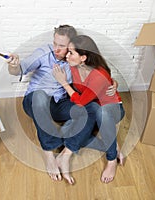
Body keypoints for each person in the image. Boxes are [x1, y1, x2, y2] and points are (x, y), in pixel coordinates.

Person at [7, 25, 116, 185]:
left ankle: (68, 152)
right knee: (40, 96)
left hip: (59, 103)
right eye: (55, 43)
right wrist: (14, 64)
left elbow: (95, 75)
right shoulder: (43, 53)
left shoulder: (74, 59)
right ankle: (48, 152)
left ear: (71, 46)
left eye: (62, 46)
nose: (56, 49)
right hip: (34, 102)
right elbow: (19, 69)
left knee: (92, 108)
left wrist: (113, 83)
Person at [53, 35, 125, 184]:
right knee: (66, 130)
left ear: (83, 57)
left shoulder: (98, 74)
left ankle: (111, 160)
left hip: (110, 109)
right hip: (91, 107)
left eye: (71, 53)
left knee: (101, 111)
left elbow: (79, 101)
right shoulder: (74, 65)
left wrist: (64, 83)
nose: (67, 55)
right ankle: (110, 143)